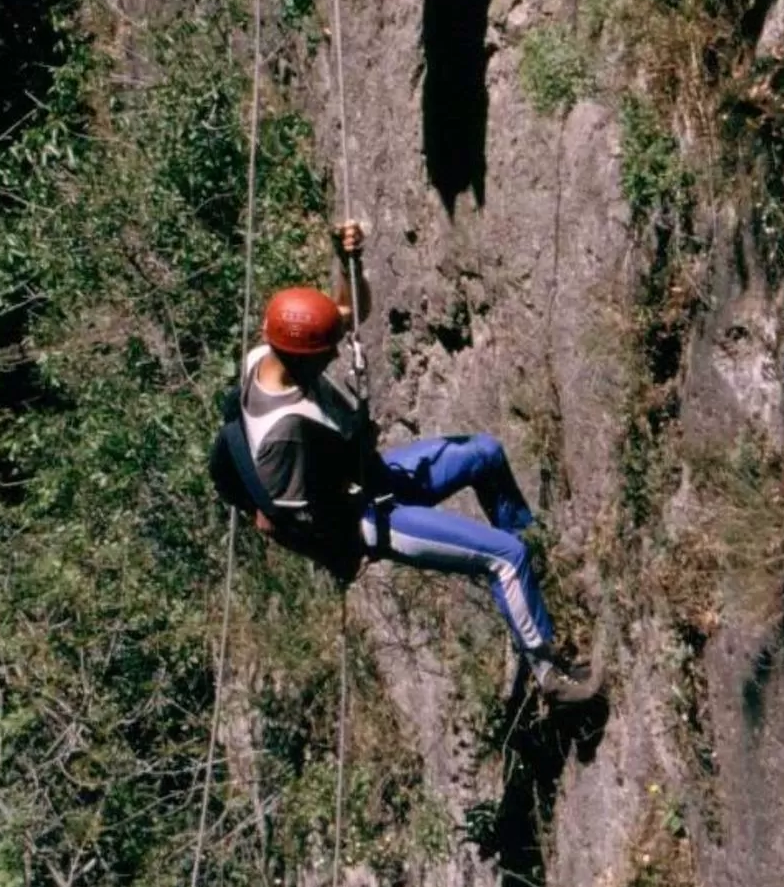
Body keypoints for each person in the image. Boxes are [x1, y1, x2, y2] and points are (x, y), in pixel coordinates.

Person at [209, 224, 600, 704]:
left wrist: (346, 260)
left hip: (376, 477)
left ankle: (529, 568)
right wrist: (340, 548)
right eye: (326, 352)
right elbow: (288, 519)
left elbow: (350, 313)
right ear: (300, 357)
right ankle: (549, 676)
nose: (335, 353)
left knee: (485, 454)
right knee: (504, 558)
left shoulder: (265, 358)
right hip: (369, 519)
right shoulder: (281, 437)